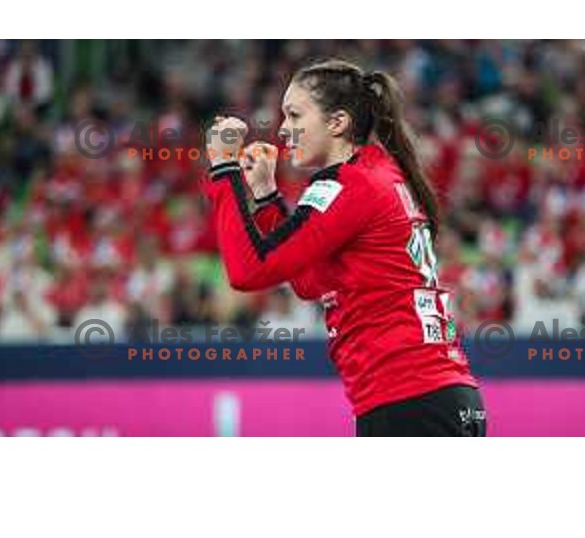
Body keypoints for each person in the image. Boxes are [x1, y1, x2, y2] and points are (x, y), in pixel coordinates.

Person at [203, 59, 486, 437]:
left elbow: (247, 271)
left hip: (408, 401)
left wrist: (223, 169)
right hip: (439, 397)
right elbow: (308, 282)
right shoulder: (379, 173)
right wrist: (268, 197)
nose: (283, 130)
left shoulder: (349, 186)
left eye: (294, 115)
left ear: (337, 123)